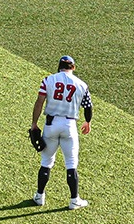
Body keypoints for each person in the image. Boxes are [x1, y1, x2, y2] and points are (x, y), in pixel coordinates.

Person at [29, 55, 91, 210]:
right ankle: (74, 200)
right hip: (70, 125)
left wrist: (34, 123)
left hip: (51, 124)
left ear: (59, 66)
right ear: (73, 68)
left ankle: (40, 196)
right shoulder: (82, 84)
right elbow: (88, 106)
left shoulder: (48, 80)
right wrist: (87, 122)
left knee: (46, 161)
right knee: (71, 164)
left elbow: (39, 102)